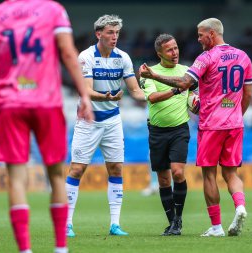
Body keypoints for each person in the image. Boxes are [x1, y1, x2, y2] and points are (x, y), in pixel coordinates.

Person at [0, 1, 93, 253]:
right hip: (47, 102)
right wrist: (85, 95)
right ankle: (60, 248)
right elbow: (68, 53)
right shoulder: (53, 10)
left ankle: (25, 250)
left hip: (10, 104)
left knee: (16, 177)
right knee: (56, 175)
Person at [140, 18, 252, 237]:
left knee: (209, 175)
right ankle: (240, 206)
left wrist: (154, 75)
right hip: (235, 123)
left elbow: (184, 83)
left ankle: (217, 226)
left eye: (201, 35)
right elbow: (247, 95)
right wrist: (236, 115)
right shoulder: (243, 56)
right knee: (231, 173)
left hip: (211, 125)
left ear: (211, 34)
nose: (198, 39)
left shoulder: (206, 57)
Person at [65, 14, 146, 237]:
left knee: (116, 168)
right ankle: (67, 223)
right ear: (98, 34)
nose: (114, 37)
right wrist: (104, 97)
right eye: (110, 32)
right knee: (77, 169)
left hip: (112, 120)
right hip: (88, 120)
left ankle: (115, 224)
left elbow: (135, 90)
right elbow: (86, 90)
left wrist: (156, 95)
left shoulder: (123, 58)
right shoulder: (86, 56)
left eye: (117, 33)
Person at [141, 34, 192, 236]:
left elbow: (194, 90)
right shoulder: (148, 73)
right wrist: (178, 90)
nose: (175, 52)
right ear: (159, 53)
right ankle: (173, 223)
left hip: (180, 129)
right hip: (157, 131)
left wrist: (193, 99)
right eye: (169, 50)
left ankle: (178, 219)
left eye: (176, 48)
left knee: (178, 172)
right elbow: (152, 98)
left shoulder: (187, 72)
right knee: (163, 180)